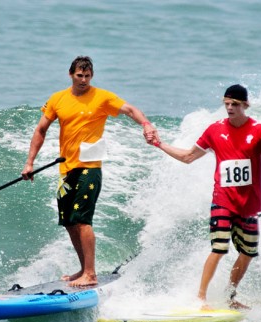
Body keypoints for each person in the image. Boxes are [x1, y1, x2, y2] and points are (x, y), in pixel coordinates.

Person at [151, 84, 261, 309]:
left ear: (245, 105)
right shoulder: (215, 130)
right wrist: (159, 144)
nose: (230, 108)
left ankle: (229, 297)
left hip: (249, 206)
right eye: (226, 104)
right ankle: (200, 299)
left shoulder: (259, 131)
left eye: (234, 104)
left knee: (248, 253)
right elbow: (187, 157)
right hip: (222, 201)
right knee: (219, 248)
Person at [22, 56, 159, 287]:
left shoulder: (102, 97)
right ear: (71, 75)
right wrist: (30, 162)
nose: (83, 80)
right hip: (66, 169)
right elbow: (41, 129)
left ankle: (91, 274)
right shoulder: (57, 99)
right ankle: (83, 269)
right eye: (79, 75)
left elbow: (130, 109)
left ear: (91, 76)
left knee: (82, 220)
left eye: (87, 76)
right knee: (68, 222)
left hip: (90, 167)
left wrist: (146, 124)